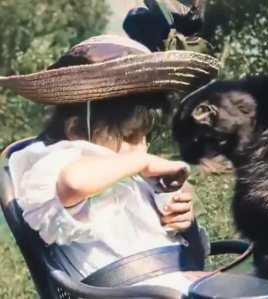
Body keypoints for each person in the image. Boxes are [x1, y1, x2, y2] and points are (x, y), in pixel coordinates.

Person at [1, 34, 219, 295]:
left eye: (146, 138)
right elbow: (74, 182)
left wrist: (181, 214)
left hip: (175, 281)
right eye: (129, 137)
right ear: (76, 129)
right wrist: (140, 161)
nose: (142, 148)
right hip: (128, 291)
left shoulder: (126, 172)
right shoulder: (58, 160)